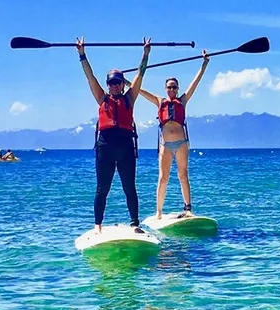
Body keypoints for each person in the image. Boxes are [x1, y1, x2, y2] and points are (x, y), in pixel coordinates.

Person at [77, 36, 151, 233]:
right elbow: (90, 77)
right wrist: (82, 54)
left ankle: (135, 223)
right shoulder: (102, 98)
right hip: (105, 147)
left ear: (123, 84)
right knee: (102, 189)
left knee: (129, 188)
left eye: (118, 82)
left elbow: (140, 75)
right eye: (111, 82)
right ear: (108, 84)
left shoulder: (129, 98)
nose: (115, 85)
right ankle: (98, 226)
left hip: (125, 147)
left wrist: (146, 54)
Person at [137, 49, 211, 218]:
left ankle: (188, 209)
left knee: (183, 175)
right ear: (165, 89)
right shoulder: (159, 101)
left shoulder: (182, 100)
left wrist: (204, 64)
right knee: (163, 178)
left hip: (181, 144)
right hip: (165, 145)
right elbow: (139, 89)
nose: (171, 89)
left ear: (177, 89)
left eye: (174, 87)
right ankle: (159, 212)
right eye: (169, 87)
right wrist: (127, 82)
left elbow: (195, 82)